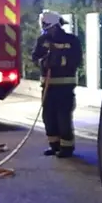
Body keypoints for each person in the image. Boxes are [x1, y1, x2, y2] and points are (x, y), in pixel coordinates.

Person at [31, 10, 82, 158]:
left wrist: (60, 61)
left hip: (65, 87)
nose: (48, 31)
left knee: (63, 117)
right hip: (48, 87)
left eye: (49, 28)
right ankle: (54, 146)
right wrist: (43, 62)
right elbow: (35, 57)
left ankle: (66, 148)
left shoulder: (71, 40)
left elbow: (76, 60)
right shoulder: (42, 40)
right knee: (48, 117)